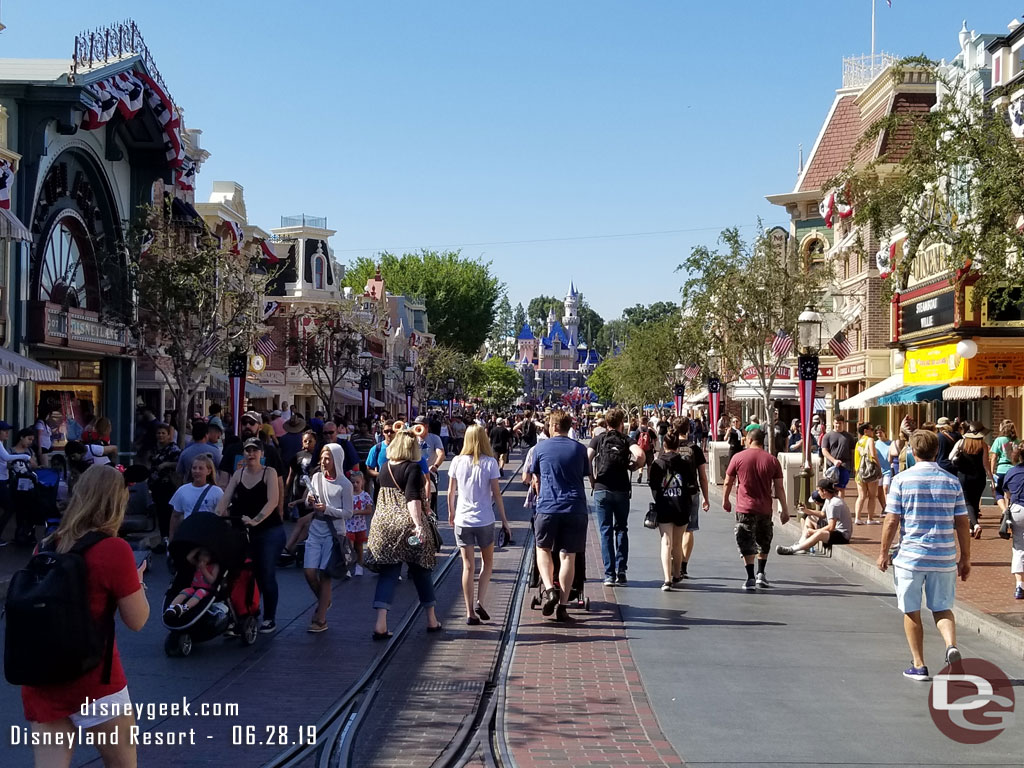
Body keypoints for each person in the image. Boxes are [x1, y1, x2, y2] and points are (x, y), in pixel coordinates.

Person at [20, 465, 149, 768]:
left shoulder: (47, 545)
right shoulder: (114, 549)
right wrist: (138, 583)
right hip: (96, 681)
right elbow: (138, 620)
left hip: (43, 679)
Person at [878, 429, 970, 681]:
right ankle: (951, 646)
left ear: (913, 451)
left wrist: (883, 552)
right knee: (942, 608)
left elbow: (891, 520)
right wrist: (966, 558)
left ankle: (919, 665)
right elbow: (962, 522)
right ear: (937, 451)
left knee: (911, 610)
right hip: (943, 555)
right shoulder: (951, 481)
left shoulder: (901, 480)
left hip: (911, 556)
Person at [367, 428, 442, 638]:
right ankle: (432, 619)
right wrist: (418, 524)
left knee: (389, 573)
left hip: (384, 526)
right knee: (421, 570)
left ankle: (380, 624)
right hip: (406, 527)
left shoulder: (384, 467)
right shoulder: (413, 468)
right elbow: (412, 499)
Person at [217, 437, 283, 633]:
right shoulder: (238, 474)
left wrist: (256, 519)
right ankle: (245, 612)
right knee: (239, 572)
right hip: (243, 530)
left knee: (265, 573)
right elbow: (224, 500)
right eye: (247, 451)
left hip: (269, 530)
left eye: (255, 450)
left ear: (262, 453)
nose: (251, 454)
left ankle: (269, 617)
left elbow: (272, 501)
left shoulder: (269, 473)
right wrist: (215, 516)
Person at [447, 424, 511, 625]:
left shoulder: (457, 461)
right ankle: (480, 601)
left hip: (463, 520)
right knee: (488, 563)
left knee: (467, 567)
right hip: (484, 519)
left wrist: (451, 513)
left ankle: (469, 613)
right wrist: (504, 520)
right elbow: (496, 494)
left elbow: (450, 492)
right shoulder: (490, 463)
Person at [531, 410, 591, 622]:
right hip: (575, 507)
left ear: (554, 426)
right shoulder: (580, 448)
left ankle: (549, 589)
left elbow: (534, 475)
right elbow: (585, 473)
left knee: (543, 549)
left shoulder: (540, 448)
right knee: (569, 556)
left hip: (548, 506)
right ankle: (563, 607)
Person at [721, 428, 790, 590]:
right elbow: (779, 488)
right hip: (764, 508)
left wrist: (726, 500)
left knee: (745, 540)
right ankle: (761, 573)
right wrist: (785, 509)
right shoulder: (772, 460)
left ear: (750, 440)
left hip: (744, 508)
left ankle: (750, 577)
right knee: (763, 540)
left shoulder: (738, 457)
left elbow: (727, 481)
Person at [649, 421, 709, 590]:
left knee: (665, 541)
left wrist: (660, 498)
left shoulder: (657, 463)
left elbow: (653, 486)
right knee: (677, 542)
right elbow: (691, 484)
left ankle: (667, 579)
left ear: (664, 444)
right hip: (682, 505)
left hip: (664, 505)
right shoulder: (684, 462)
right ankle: (677, 574)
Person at [588, 407, 645, 586]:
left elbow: (586, 459)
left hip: (602, 488)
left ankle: (609, 575)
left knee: (605, 531)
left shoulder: (598, 439)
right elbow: (641, 455)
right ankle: (621, 571)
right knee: (621, 529)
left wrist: (592, 479)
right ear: (622, 423)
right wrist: (634, 467)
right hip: (621, 489)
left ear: (606, 423)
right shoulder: (627, 439)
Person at [302, 443, 353, 632]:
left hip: (334, 534)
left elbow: (348, 512)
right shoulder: (315, 477)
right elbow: (308, 500)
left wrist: (327, 509)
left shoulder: (345, 484)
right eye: (322, 457)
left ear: (337, 460)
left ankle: (320, 618)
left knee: (325, 574)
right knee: (309, 571)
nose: (324, 462)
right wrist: (310, 501)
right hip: (316, 529)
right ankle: (325, 600)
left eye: (328, 458)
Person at [219, 411, 286, 521]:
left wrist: (280, 510)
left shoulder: (270, 451)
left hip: (266, 515)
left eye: (251, 423)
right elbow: (223, 483)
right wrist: (223, 507)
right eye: (244, 423)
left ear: (260, 426)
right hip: (238, 513)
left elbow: (279, 484)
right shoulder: (231, 450)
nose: (247, 426)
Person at [777, 477, 852, 555]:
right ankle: (801, 544)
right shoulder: (828, 500)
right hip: (835, 530)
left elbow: (831, 527)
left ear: (824, 491)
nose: (818, 493)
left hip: (842, 535)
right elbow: (823, 514)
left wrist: (814, 532)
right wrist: (807, 511)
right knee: (810, 518)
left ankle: (793, 549)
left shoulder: (834, 504)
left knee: (820, 534)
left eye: (819, 490)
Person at [168, 454, 224, 539]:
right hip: (189, 533)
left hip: (209, 534)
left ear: (208, 471)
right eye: (194, 468)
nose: (196, 471)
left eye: (201, 468)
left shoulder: (217, 492)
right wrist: (171, 537)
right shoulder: (182, 490)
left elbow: (223, 516)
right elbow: (175, 516)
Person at [953, 423, 992, 539]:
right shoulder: (983, 445)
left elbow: (951, 457)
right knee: (975, 502)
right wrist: (991, 478)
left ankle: (975, 525)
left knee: (968, 502)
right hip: (979, 477)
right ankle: (971, 528)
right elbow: (986, 463)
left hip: (964, 476)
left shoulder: (961, 443)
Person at [149, 423, 182, 553]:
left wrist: (166, 464)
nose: (160, 435)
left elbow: (179, 464)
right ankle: (164, 540)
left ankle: (171, 540)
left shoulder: (173, 449)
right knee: (160, 514)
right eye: (159, 433)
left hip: (168, 486)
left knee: (168, 513)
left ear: (169, 435)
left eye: (163, 433)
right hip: (156, 486)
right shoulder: (155, 448)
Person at [0, 421, 33, 546]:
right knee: (9, 508)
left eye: (7, 430)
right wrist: (25, 457)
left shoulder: (1, 443)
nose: (7, 433)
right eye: (4, 431)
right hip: (0, 481)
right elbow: (7, 458)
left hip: (3, 479)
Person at [165, 547, 219, 616]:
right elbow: (189, 558)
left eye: (205, 555)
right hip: (194, 587)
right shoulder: (198, 563)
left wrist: (204, 570)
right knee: (184, 591)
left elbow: (212, 580)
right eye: (201, 554)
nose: (202, 557)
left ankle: (184, 608)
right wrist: (197, 549)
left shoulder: (214, 566)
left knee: (199, 593)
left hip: (206, 590)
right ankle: (171, 608)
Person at [1002, 446, 1024, 599]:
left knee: (1018, 547)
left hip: (1018, 510)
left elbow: (1007, 494)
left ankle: (1019, 586)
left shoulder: (1011, 472)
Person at [821, 415, 855, 497]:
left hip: (845, 465)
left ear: (843, 423)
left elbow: (852, 452)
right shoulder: (827, 436)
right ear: (833, 423)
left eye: (840, 423)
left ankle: (839, 506)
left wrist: (853, 466)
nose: (838, 425)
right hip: (831, 466)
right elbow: (824, 451)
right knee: (830, 488)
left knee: (841, 488)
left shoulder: (849, 437)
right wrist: (833, 460)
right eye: (836, 423)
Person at [853, 423, 879, 525]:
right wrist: (879, 468)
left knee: (861, 496)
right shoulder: (870, 440)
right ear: (865, 431)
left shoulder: (858, 442)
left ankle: (857, 518)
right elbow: (873, 455)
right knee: (872, 496)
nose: (873, 432)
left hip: (860, 471)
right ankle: (870, 518)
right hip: (870, 471)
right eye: (871, 429)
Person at [348, 471, 374, 575]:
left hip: (360, 525)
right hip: (349, 525)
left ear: (362, 482)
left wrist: (357, 512)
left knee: (359, 546)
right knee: (349, 545)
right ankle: (348, 566)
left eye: (357, 482)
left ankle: (359, 564)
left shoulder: (365, 496)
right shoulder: (348, 495)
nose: (355, 485)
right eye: (353, 483)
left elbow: (369, 510)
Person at [990, 420, 1018, 515]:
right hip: (1014, 469)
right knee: (1009, 492)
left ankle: (1004, 510)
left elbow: (993, 457)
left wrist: (991, 472)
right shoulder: (1018, 441)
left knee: (998, 492)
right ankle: (1009, 511)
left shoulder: (999, 440)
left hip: (1001, 469)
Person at [875, 425, 893, 512]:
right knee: (879, 492)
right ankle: (884, 507)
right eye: (877, 433)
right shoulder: (875, 444)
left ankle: (889, 508)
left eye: (880, 432)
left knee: (886, 488)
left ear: (885, 432)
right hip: (879, 470)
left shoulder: (891, 443)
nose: (879, 434)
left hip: (888, 469)